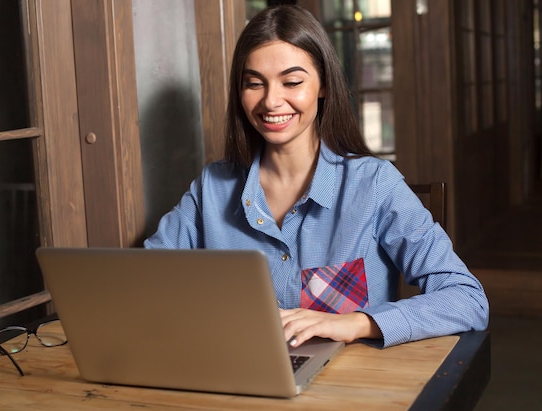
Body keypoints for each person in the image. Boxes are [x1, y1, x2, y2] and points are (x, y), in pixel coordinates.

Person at [144, 5, 489, 348]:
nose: (271, 101)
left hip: (347, 389)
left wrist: (357, 323)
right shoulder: (212, 189)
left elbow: (467, 299)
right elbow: (143, 282)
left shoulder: (375, 185)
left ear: (323, 85)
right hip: (235, 373)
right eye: (254, 84)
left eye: (292, 82)